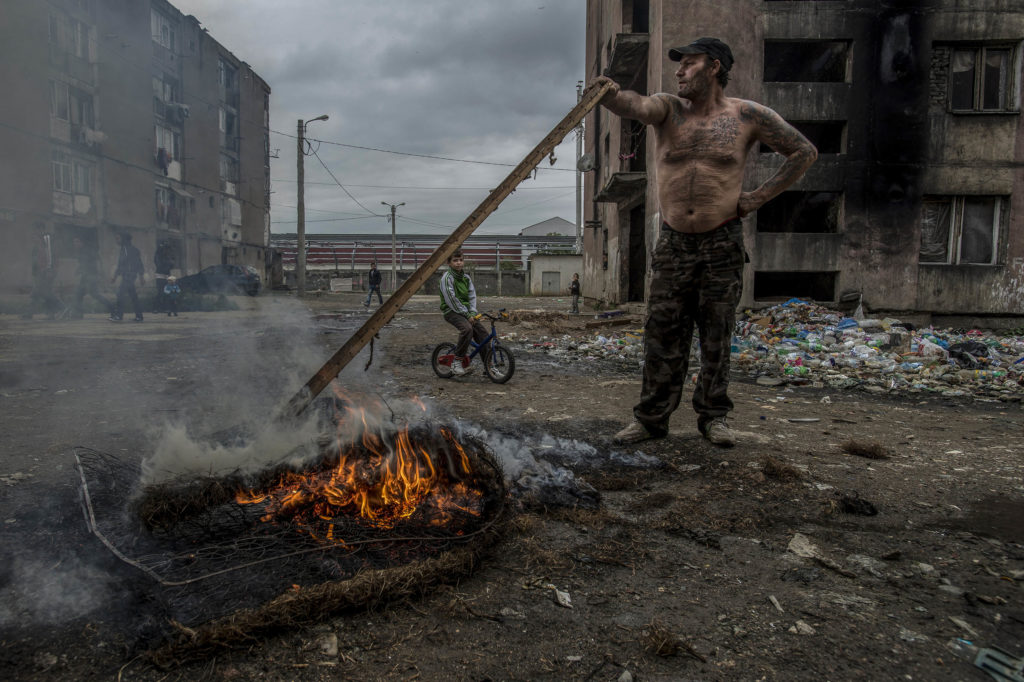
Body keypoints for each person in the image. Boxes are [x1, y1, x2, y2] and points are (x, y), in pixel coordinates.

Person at [595, 37, 817, 447]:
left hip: (722, 239)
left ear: (714, 67)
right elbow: (635, 105)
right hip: (674, 243)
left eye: (689, 64)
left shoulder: (747, 115)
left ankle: (714, 418)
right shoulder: (668, 109)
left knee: (717, 333)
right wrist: (610, 93)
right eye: (679, 65)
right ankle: (651, 419)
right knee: (662, 332)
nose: (679, 71)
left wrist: (755, 198)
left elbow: (803, 152)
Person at [439, 250, 488, 376]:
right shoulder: (447, 278)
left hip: (466, 312)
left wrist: (472, 312)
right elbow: (451, 299)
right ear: (449, 263)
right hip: (451, 311)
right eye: (455, 260)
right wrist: (467, 315)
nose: (459, 263)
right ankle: (457, 362)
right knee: (467, 329)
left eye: (460, 260)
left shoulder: (466, 278)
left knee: (483, 334)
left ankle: (489, 367)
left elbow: (472, 296)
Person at [23, 224, 60, 320]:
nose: (36, 232)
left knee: (42, 293)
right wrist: (34, 273)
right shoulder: (38, 242)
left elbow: (50, 257)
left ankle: (62, 307)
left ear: (42, 229)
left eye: (37, 229)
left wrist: (49, 270)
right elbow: (35, 260)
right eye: (35, 229)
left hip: (46, 272)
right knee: (40, 293)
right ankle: (49, 313)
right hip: (39, 272)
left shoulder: (47, 240)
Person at [71, 236, 112, 319]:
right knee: (79, 294)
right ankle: (78, 314)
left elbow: (88, 264)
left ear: (82, 242)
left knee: (94, 294)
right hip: (86, 276)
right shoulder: (82, 251)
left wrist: (80, 270)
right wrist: (79, 270)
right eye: (74, 242)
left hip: (90, 276)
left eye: (77, 241)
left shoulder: (86, 251)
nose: (75, 244)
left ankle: (113, 308)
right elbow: (84, 264)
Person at [110, 233, 145, 322]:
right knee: (133, 296)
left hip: (129, 275)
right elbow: (138, 263)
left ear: (124, 239)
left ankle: (119, 316)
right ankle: (139, 316)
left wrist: (141, 276)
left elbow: (123, 264)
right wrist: (141, 276)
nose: (116, 241)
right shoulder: (128, 249)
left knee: (120, 294)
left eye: (118, 238)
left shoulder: (127, 250)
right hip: (130, 275)